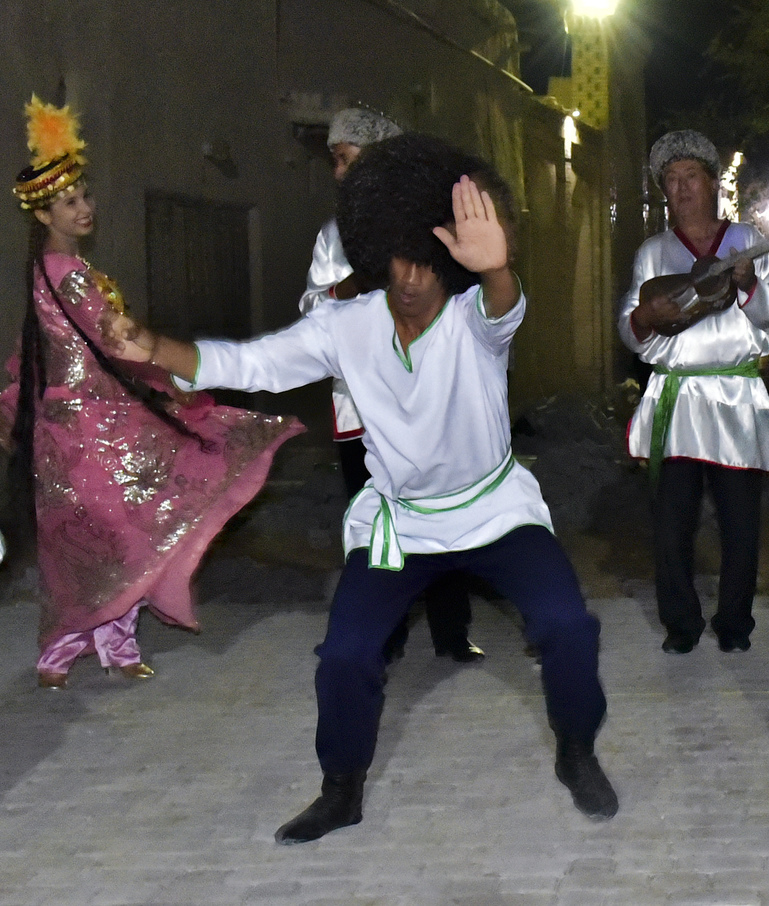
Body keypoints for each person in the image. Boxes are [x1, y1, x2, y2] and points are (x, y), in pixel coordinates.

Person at [102, 133, 617, 840]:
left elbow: (505, 306)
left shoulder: (475, 323)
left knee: (566, 626)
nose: (411, 276)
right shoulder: (344, 327)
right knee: (344, 655)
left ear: (446, 262)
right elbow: (252, 363)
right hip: (399, 525)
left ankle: (577, 750)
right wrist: (153, 348)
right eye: (397, 259)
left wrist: (500, 269)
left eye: (426, 261)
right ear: (377, 253)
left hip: (495, 514)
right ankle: (340, 788)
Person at [2, 96, 303, 689]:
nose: (85, 208)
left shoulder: (42, 272)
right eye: (70, 202)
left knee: (85, 532)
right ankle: (93, 642)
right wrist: (169, 384)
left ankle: (80, 646)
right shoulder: (70, 275)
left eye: (85, 195)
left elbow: (30, 351)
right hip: (94, 427)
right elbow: (111, 344)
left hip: (66, 427)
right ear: (44, 216)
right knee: (130, 525)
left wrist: (16, 403)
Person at [304, 107, 481, 665]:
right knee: (371, 513)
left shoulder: (430, 223)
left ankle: (452, 633)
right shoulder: (334, 237)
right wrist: (358, 282)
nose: (338, 172)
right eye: (335, 161)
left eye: (347, 159)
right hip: (361, 401)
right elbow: (314, 307)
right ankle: (380, 634)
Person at [618, 130, 769, 655]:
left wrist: (748, 285)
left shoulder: (748, 240)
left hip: (735, 398)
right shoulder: (653, 252)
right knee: (672, 526)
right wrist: (644, 317)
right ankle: (681, 623)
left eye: (690, 176)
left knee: (740, 524)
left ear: (714, 184)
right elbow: (630, 324)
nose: (680, 188)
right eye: (670, 181)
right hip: (678, 399)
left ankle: (735, 623)